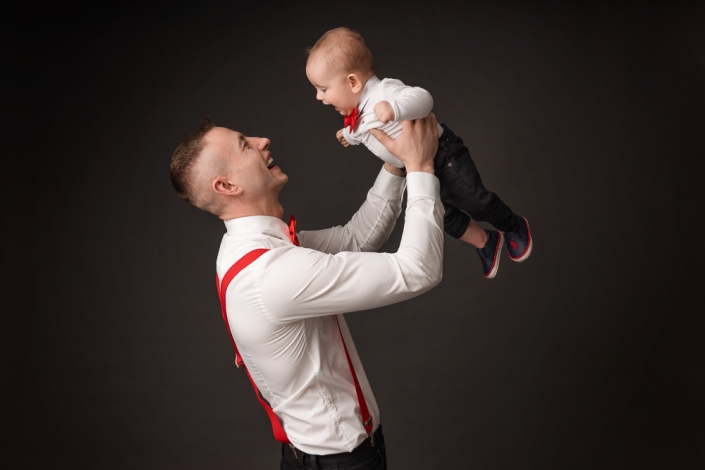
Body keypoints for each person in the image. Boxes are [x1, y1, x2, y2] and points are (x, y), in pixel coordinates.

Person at [169, 113, 444, 469]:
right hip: (341, 463)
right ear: (227, 186)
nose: (262, 140)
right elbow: (418, 270)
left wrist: (396, 165)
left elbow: (354, 239)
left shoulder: (253, 248)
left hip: (320, 457)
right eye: (244, 144)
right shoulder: (272, 273)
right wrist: (421, 166)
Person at [305, 27, 533, 279]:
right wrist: (347, 135)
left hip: (443, 156)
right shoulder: (355, 116)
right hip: (416, 170)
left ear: (353, 82)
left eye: (323, 89)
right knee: (443, 217)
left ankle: (513, 225)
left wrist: (394, 110)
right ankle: (486, 241)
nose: (319, 97)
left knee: (474, 200)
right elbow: (360, 133)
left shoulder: (385, 93)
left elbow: (424, 98)